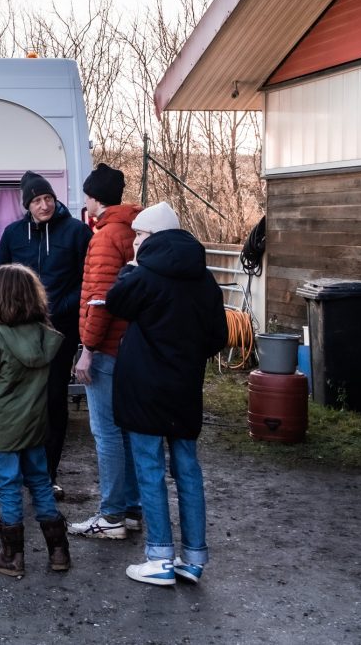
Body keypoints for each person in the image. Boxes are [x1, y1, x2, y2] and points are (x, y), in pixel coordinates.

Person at [105, 202, 227, 586]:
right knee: (188, 469)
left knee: (150, 467)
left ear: (155, 237)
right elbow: (219, 337)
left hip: (144, 388)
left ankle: (159, 558)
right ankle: (192, 559)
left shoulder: (144, 276)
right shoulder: (204, 279)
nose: (135, 242)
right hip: (185, 387)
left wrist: (130, 269)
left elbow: (114, 301)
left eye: (139, 235)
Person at [0, 264, 70, 578]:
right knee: (40, 482)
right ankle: (59, 551)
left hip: (3, 428)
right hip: (36, 426)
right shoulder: (45, 337)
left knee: (8, 486)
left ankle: (12, 556)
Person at [0, 171, 90, 496]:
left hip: (59, 330)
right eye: (37, 200)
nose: (44, 205)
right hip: (19, 331)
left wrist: (62, 304)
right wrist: (7, 312)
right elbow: (0, 274)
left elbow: (87, 280)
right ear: (27, 205)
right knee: (17, 400)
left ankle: (47, 475)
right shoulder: (13, 233)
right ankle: (10, 472)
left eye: (48, 198)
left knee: (52, 400)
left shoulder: (76, 232)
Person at [70, 162, 143, 539]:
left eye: (87, 196)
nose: (85, 202)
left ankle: (111, 516)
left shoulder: (104, 237)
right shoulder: (132, 230)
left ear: (96, 199)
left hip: (106, 349)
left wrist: (88, 349)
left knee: (107, 433)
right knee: (126, 430)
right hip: (128, 346)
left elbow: (100, 301)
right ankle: (130, 509)